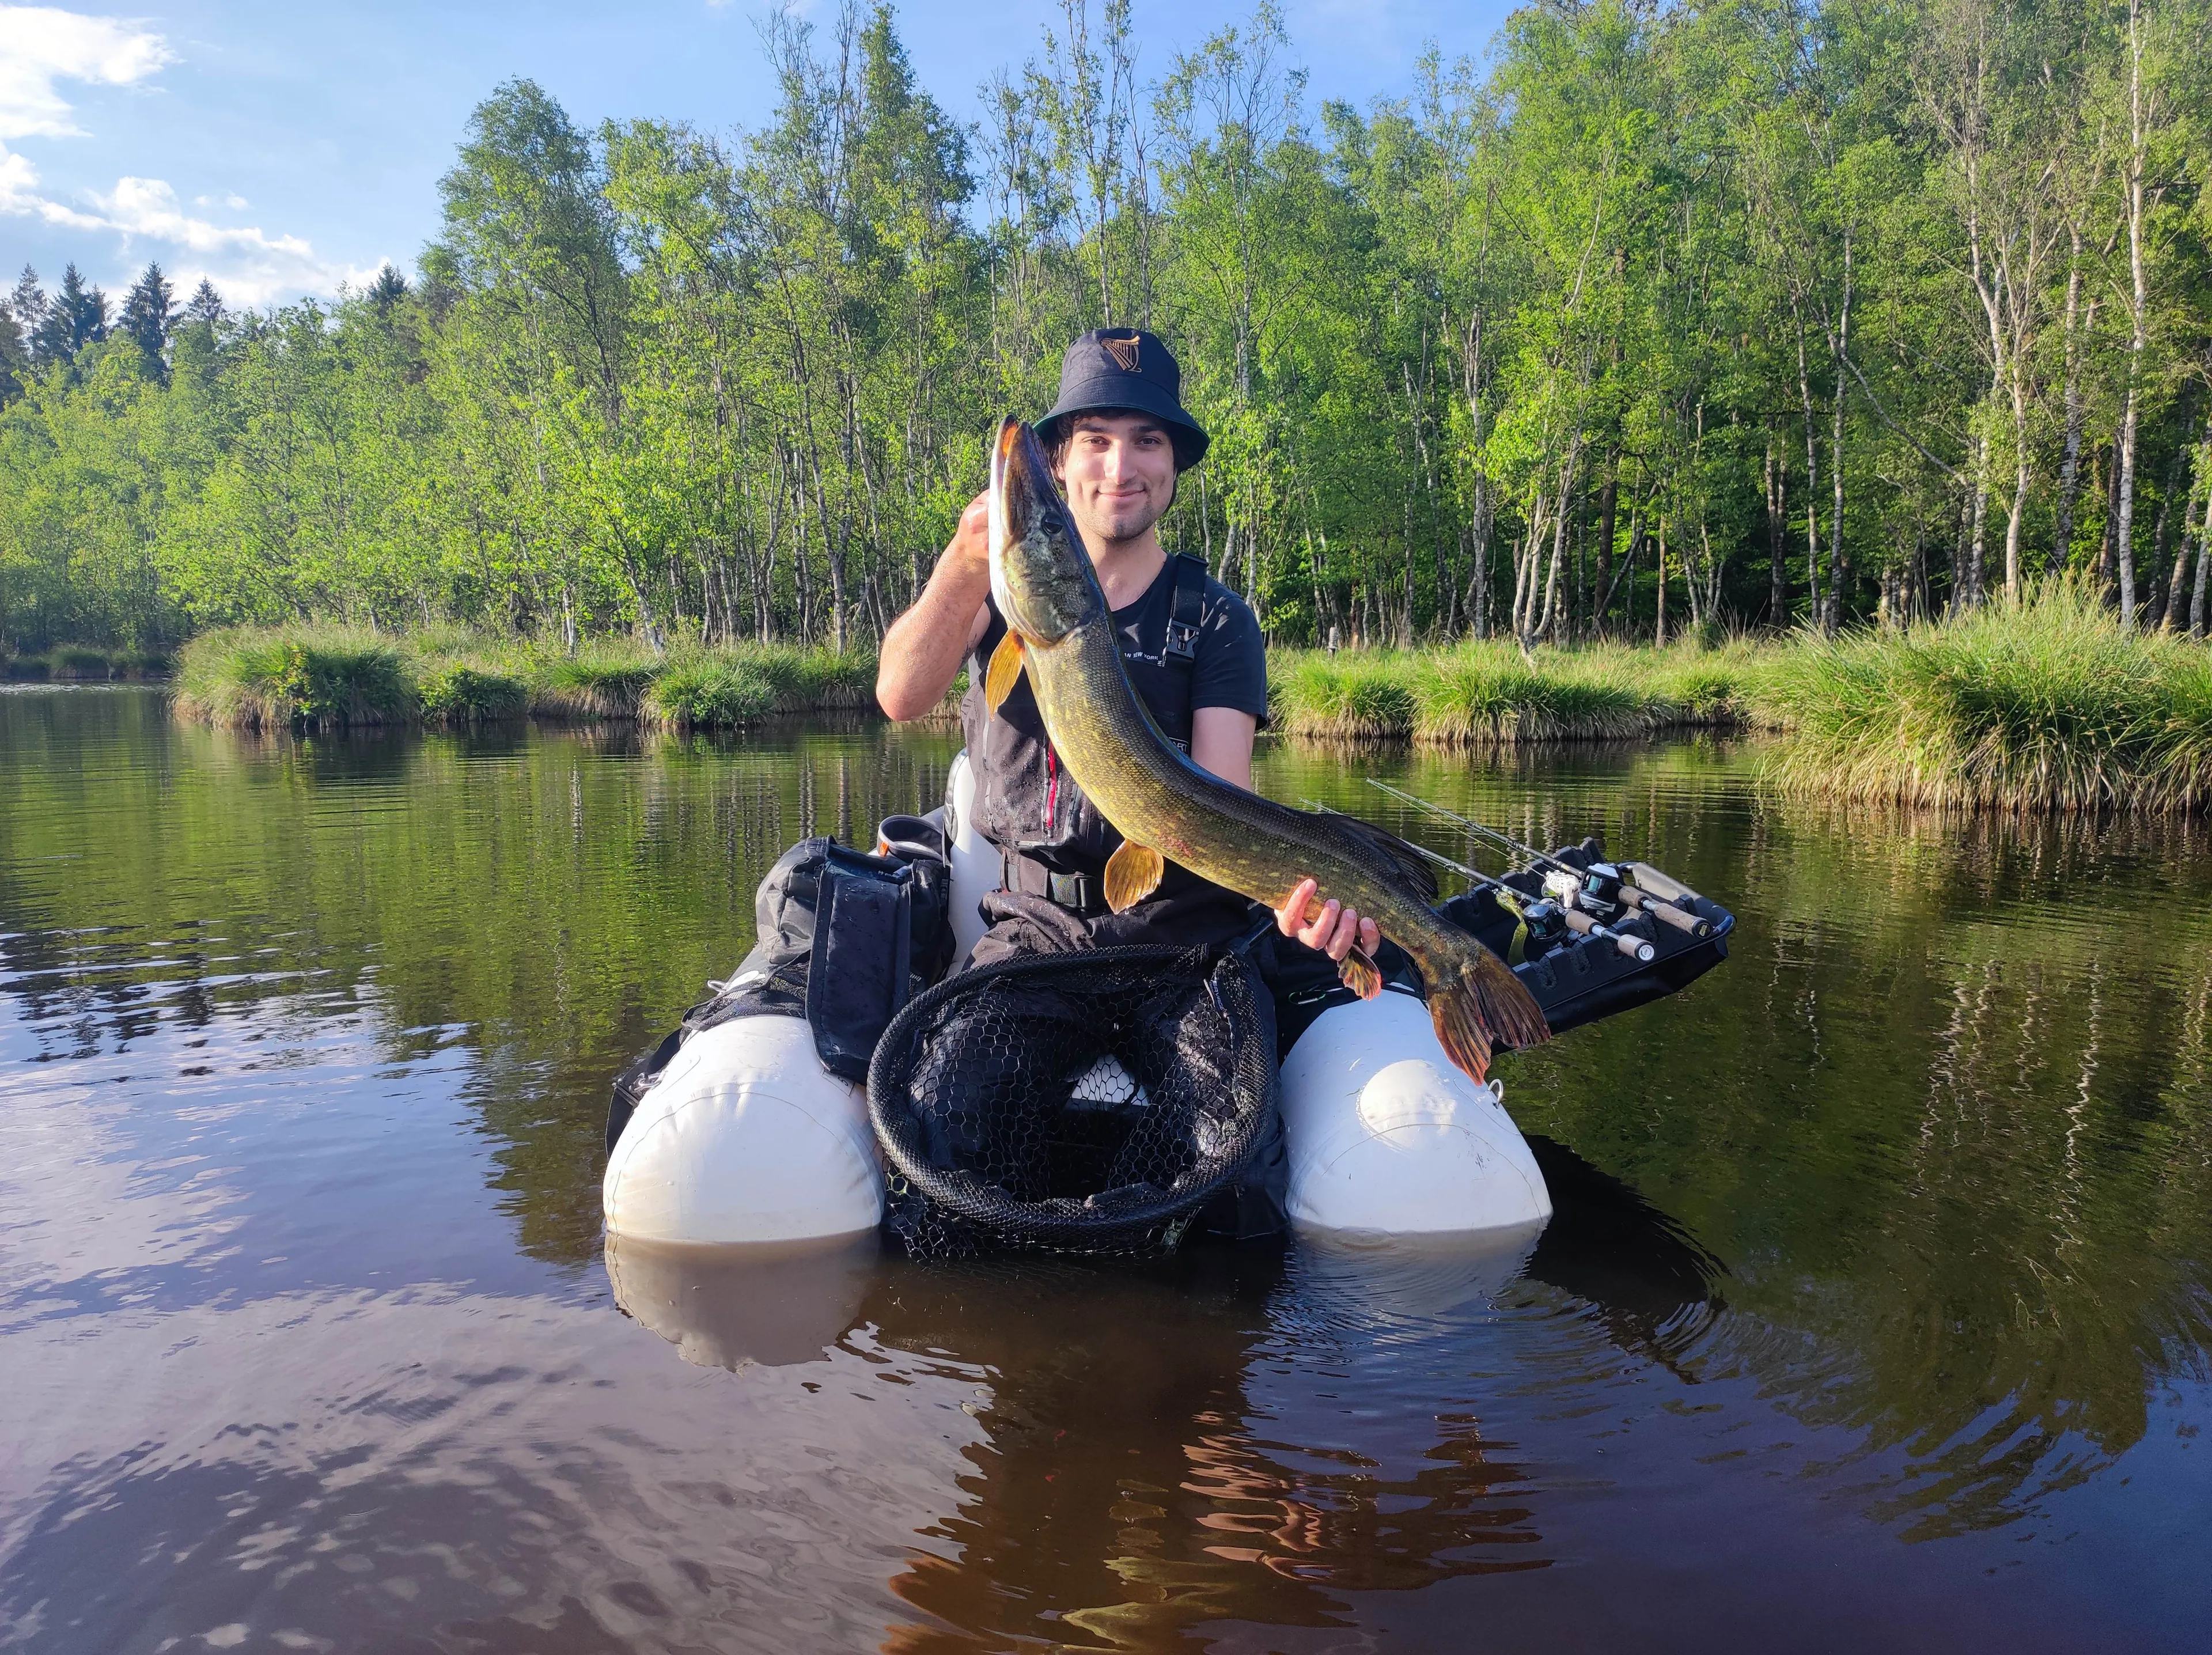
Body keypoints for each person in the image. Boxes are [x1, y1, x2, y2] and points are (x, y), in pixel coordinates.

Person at [877, 326, 1378, 970]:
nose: (1121, 467)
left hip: (1183, 943)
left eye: (1147, 441)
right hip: (1028, 932)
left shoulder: (1221, 619)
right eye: (1096, 440)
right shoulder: (993, 594)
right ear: (1059, 461)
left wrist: (1306, 905)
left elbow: (1218, 810)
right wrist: (961, 563)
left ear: (1173, 464)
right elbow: (900, 696)